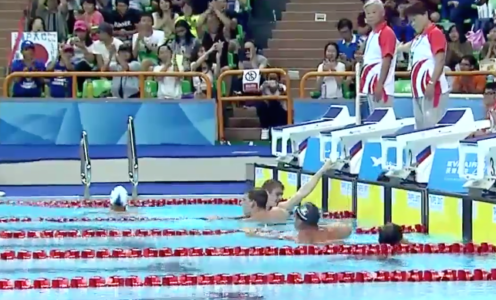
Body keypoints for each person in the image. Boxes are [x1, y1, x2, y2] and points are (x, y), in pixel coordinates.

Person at [399, 2, 449, 129]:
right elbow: (403, 47)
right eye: (410, 22)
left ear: (425, 15)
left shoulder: (435, 33)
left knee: (432, 128)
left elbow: (440, 61)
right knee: (420, 130)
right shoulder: (419, 38)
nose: (413, 24)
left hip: (432, 90)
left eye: (414, 20)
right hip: (418, 91)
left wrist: (432, 83)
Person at [243, 202, 352, 244]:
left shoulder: (302, 238)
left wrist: (257, 234)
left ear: (300, 221)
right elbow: (348, 229)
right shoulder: (329, 231)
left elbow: (282, 236)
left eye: (296, 218)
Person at [360, 0, 397, 112]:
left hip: (382, 88)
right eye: (368, 13)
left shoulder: (386, 32)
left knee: (382, 122)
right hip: (370, 86)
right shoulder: (371, 34)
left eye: (373, 12)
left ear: (382, 13)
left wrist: (380, 84)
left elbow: (387, 59)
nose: (370, 16)